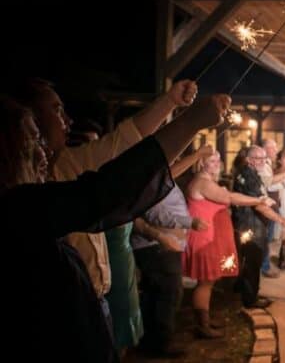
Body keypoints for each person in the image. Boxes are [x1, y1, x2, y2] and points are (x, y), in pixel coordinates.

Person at [0, 92, 230, 362]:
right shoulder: (18, 209)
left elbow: (122, 146)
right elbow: (109, 189)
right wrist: (190, 122)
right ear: (5, 149)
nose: (42, 152)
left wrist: (174, 105)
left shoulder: (43, 186)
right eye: (32, 141)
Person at [130, 145, 213, 358]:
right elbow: (156, 214)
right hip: (156, 247)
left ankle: (150, 340)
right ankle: (160, 343)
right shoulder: (153, 180)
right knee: (168, 292)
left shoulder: (163, 179)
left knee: (157, 292)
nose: (177, 161)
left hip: (161, 245)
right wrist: (189, 222)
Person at [183, 149, 274, 338]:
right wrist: (259, 199)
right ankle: (202, 325)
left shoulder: (208, 181)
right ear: (201, 163)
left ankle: (205, 318)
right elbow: (229, 198)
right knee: (205, 282)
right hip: (205, 237)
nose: (217, 163)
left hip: (211, 236)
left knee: (208, 281)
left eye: (218, 160)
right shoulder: (203, 182)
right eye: (212, 160)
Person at [231, 145, 285, 308]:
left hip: (249, 224)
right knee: (253, 261)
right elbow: (259, 205)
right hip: (250, 225)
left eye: (264, 158)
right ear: (249, 160)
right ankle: (250, 299)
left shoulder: (251, 173)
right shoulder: (249, 176)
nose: (263, 161)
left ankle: (240, 291)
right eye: (258, 158)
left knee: (249, 261)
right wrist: (281, 220)